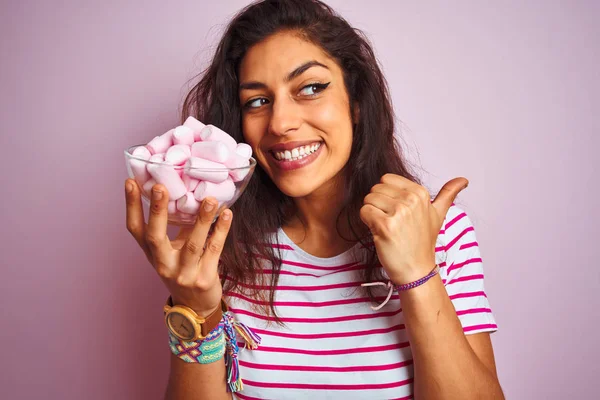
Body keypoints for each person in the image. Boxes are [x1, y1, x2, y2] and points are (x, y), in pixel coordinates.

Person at [125, 0, 504, 398]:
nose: (280, 122)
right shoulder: (224, 245)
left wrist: (418, 273)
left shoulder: (439, 231)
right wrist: (194, 307)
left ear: (356, 103)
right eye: (257, 101)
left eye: (310, 88)